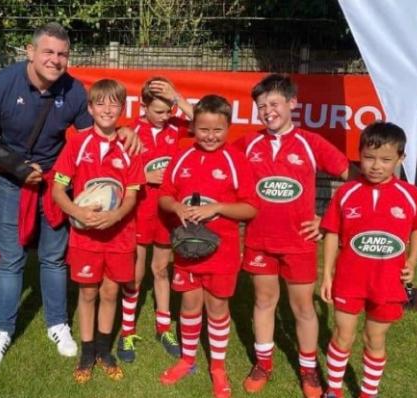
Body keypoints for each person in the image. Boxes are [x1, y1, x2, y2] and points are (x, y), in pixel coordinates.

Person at [0, 22, 141, 370]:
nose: (55, 59)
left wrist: (123, 129)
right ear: (30, 52)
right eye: (48, 51)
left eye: (62, 54)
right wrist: (16, 165)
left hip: (56, 183)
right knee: (12, 259)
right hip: (14, 180)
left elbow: (92, 130)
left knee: (53, 258)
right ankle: (1, 330)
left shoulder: (75, 91)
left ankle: (58, 323)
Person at [234, 74, 349, 397]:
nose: (267, 111)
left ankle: (308, 369)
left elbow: (353, 180)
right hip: (259, 241)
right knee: (264, 301)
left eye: (273, 103)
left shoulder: (311, 144)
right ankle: (263, 363)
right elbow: (216, 155)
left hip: (299, 244)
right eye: (261, 107)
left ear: (292, 104)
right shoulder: (249, 143)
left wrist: (327, 220)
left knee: (303, 309)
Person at [157, 95, 259, 398]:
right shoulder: (182, 158)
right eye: (203, 129)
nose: (210, 136)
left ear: (228, 127)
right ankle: (187, 360)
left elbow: (251, 209)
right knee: (189, 305)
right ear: (193, 126)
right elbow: (164, 195)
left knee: (217, 307)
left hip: (223, 253)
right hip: (187, 250)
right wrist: (175, 206)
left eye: (217, 130)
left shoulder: (236, 160)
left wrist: (219, 208)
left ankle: (218, 366)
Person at [320, 121, 417, 398]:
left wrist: (412, 262)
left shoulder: (410, 195)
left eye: (386, 159)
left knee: (375, 338)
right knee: (343, 336)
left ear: (400, 159)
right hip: (349, 280)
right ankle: (333, 390)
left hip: (387, 282)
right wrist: (327, 274)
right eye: (369, 158)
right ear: (359, 155)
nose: (376, 166)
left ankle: (368, 392)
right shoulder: (346, 193)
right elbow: (332, 232)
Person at [51, 79, 144, 383]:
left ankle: (104, 349)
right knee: (88, 292)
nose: (107, 109)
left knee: (110, 291)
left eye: (113, 103)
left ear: (122, 108)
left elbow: (131, 195)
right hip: (86, 237)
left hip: (120, 236)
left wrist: (116, 214)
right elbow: (58, 190)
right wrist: (78, 212)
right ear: (90, 108)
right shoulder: (77, 143)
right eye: (100, 103)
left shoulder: (130, 145)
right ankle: (87, 351)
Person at [117, 76, 193, 363]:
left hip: (167, 213)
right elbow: (114, 172)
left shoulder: (176, 127)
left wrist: (177, 97)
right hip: (139, 213)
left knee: (161, 270)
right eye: (158, 111)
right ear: (143, 106)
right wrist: (143, 177)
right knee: (135, 275)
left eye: (168, 110)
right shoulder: (130, 132)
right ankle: (127, 330)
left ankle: (164, 326)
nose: (165, 116)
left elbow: (206, 122)